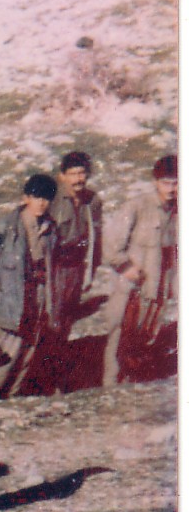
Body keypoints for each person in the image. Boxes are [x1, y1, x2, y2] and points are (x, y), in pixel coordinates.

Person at [0, 174, 62, 399]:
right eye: (36, 197)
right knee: (3, 355)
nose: (41, 203)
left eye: (46, 198)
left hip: (38, 300)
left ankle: (10, 400)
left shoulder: (51, 228)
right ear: (26, 198)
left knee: (27, 353)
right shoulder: (5, 226)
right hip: (8, 300)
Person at [101, 155, 177, 386]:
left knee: (145, 340)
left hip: (157, 290)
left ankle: (131, 387)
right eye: (166, 183)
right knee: (119, 338)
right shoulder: (137, 206)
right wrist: (126, 266)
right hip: (131, 289)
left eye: (176, 183)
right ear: (155, 182)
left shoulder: (178, 212)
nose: (171, 189)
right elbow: (110, 244)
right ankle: (110, 388)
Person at [51, 151, 103, 325]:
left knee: (69, 316)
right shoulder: (53, 200)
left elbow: (96, 237)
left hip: (78, 267)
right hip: (56, 268)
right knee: (52, 316)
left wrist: (92, 268)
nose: (78, 179)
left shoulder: (92, 201)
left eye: (82, 173)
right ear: (62, 176)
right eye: (73, 174)